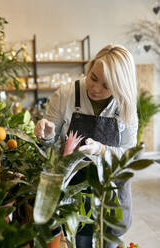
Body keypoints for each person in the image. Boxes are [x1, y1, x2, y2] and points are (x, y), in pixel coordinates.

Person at [34, 44, 138, 248]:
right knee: (80, 236)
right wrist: (46, 136)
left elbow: (130, 155)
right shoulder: (65, 95)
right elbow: (49, 145)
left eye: (107, 86)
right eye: (93, 77)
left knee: (111, 235)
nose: (95, 88)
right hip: (76, 183)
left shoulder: (125, 105)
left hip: (111, 182)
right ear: (89, 68)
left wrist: (101, 150)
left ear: (121, 86)